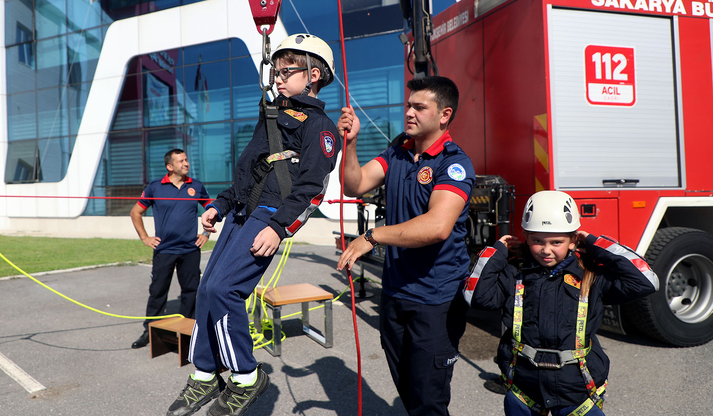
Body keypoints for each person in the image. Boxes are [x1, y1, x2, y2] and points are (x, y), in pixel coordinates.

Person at [166, 34, 341, 416]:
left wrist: (278, 228)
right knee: (208, 290)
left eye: (287, 70)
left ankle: (246, 377)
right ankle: (206, 373)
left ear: (313, 75)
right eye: (275, 70)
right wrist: (221, 205)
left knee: (226, 290)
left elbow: (312, 190)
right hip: (243, 211)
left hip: (268, 216)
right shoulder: (272, 114)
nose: (278, 77)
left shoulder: (320, 127)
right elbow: (248, 172)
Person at [336, 76, 475, 416]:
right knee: (410, 392)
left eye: (418, 107)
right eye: (408, 105)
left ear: (444, 115)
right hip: (396, 293)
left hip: (435, 300)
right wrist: (350, 144)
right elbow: (355, 184)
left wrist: (372, 236)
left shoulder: (453, 163)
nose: (409, 112)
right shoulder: (398, 151)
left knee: (428, 400)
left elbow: (438, 226)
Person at [465, 190, 660, 416]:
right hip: (524, 389)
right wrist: (496, 253)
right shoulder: (515, 273)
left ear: (573, 241)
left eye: (556, 242)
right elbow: (475, 296)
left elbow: (646, 281)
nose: (546, 250)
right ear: (526, 238)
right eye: (537, 241)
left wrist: (597, 245)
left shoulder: (590, 276)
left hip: (577, 392)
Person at [129, 149, 211, 349]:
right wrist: (145, 237)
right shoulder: (155, 187)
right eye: (181, 161)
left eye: (186, 160)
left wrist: (206, 234)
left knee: (191, 292)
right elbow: (135, 212)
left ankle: (188, 333)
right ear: (170, 166)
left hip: (190, 250)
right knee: (157, 291)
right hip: (164, 250)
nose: (186, 163)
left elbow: (212, 210)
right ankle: (149, 331)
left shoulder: (196, 186)